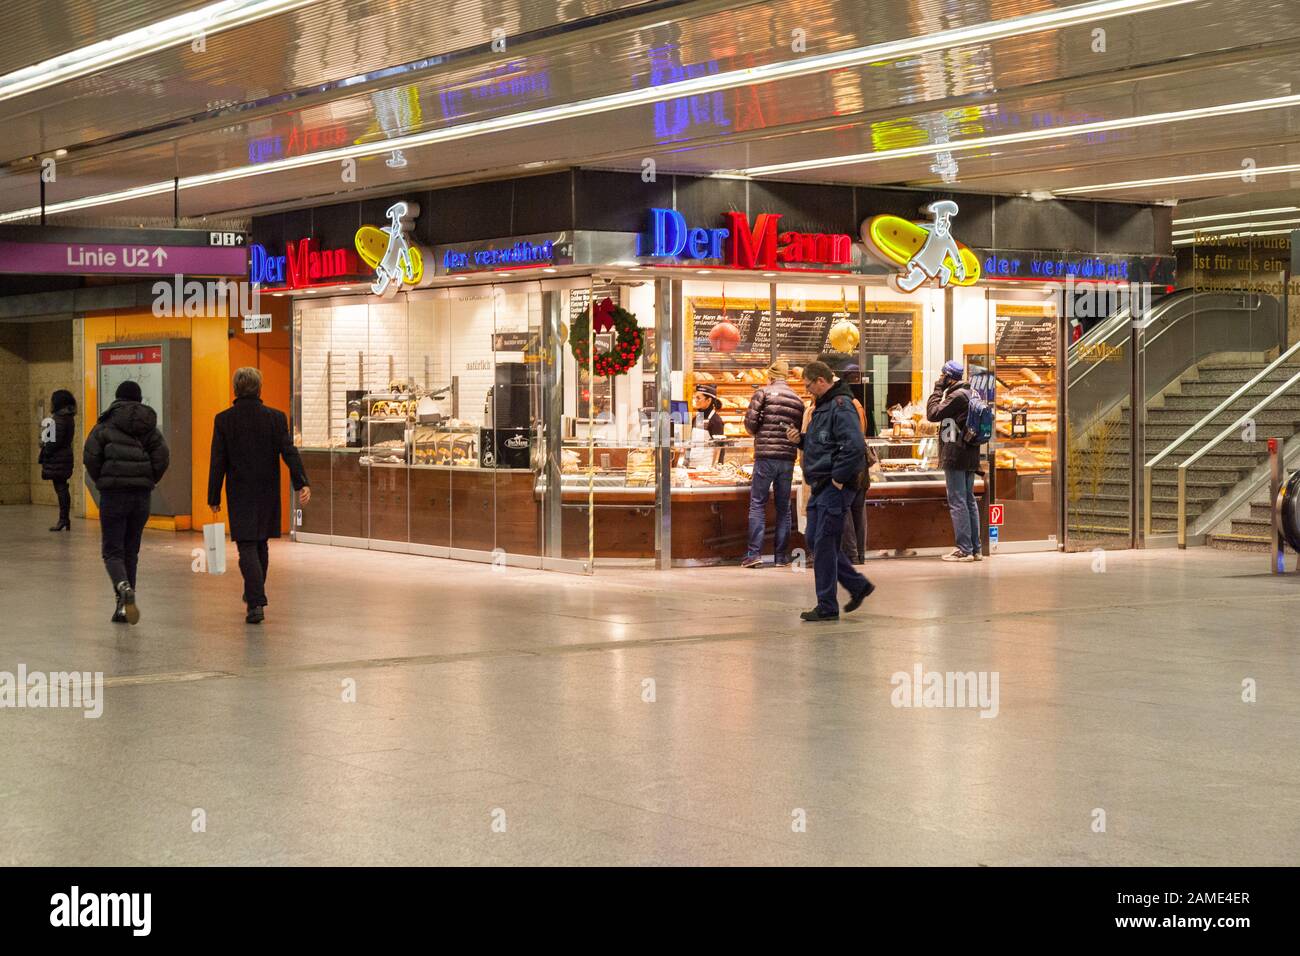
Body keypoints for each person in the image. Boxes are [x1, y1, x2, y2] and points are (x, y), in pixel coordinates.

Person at [208, 367, 310, 624]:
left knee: (246, 545)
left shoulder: (224, 420)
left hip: (240, 490)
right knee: (261, 543)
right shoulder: (275, 418)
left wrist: (214, 496)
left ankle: (255, 602)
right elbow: (289, 452)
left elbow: (217, 461)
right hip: (267, 489)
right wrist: (301, 483)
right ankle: (254, 593)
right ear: (259, 388)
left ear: (236, 389)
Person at [784, 361, 874, 621]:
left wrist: (838, 478)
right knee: (814, 539)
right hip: (820, 485)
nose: (807, 390)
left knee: (823, 544)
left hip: (833, 487)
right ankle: (857, 585)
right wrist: (800, 440)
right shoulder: (823, 406)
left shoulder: (841, 406)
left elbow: (854, 446)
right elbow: (823, 442)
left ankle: (826, 605)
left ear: (821, 381)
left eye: (809, 385)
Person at [83, 380, 169, 624]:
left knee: (112, 551)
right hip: (141, 497)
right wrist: (148, 478)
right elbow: (163, 457)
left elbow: (90, 457)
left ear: (117, 399)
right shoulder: (150, 428)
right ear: (139, 399)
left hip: (113, 495)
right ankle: (123, 606)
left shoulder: (104, 427)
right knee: (131, 550)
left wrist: (104, 479)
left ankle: (122, 587)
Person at [740, 359, 804, 568]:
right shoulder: (797, 400)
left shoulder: (763, 393)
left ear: (770, 376)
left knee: (758, 503)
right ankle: (781, 557)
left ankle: (754, 554)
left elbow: (750, 425)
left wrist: (758, 431)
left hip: (766, 456)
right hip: (787, 458)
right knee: (783, 507)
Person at [926, 359, 983, 562]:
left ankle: (964, 549)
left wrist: (937, 389)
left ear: (948, 377)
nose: (941, 379)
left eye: (943, 376)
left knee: (958, 501)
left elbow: (932, 414)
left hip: (956, 454)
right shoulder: (972, 392)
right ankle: (976, 549)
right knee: (968, 500)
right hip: (970, 454)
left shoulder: (957, 396)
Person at [39, 388, 77, 532]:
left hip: (58, 458)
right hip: (64, 456)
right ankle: (64, 519)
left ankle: (63, 520)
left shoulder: (60, 419)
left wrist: (46, 446)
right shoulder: (68, 416)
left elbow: (54, 441)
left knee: (61, 488)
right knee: (62, 487)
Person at [687, 382, 726, 468]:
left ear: (708, 400)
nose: (695, 400)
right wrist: (686, 462)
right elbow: (691, 443)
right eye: (695, 398)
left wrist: (716, 468)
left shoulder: (716, 421)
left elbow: (719, 448)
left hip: (706, 468)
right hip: (692, 466)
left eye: (698, 398)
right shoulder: (696, 417)